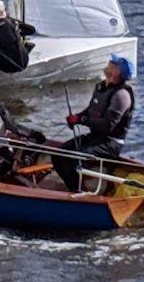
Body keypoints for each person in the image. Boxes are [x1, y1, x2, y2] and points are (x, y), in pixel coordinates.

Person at [52, 55, 135, 192]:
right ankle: (73, 188)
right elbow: (91, 111)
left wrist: (81, 121)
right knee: (58, 155)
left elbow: (108, 125)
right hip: (96, 137)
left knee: (72, 160)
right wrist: (77, 117)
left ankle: (78, 194)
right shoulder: (102, 87)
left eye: (112, 64)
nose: (108, 63)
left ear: (116, 72)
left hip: (110, 143)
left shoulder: (121, 95)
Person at [0, 0, 36, 73]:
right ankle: (25, 48)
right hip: (24, 61)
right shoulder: (14, 23)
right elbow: (31, 30)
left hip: (8, 66)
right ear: (4, 11)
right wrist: (16, 31)